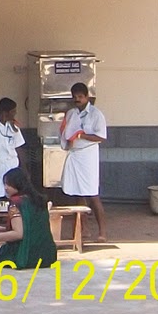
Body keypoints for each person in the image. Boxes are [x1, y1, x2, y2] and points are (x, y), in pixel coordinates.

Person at [0, 168, 58, 269]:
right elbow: (30, 226)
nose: (5, 188)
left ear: (17, 183)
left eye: (8, 184)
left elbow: (18, 234)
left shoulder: (16, 203)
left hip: (26, 256)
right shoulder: (39, 200)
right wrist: (2, 229)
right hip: (47, 255)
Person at [60, 82, 108, 241]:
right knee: (77, 193)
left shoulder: (96, 114)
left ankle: (102, 232)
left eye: (80, 97)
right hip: (75, 154)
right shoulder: (71, 113)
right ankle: (83, 229)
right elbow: (65, 132)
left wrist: (82, 135)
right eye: (75, 97)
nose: (77, 100)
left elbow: (101, 137)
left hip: (88, 156)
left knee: (92, 194)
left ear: (87, 97)